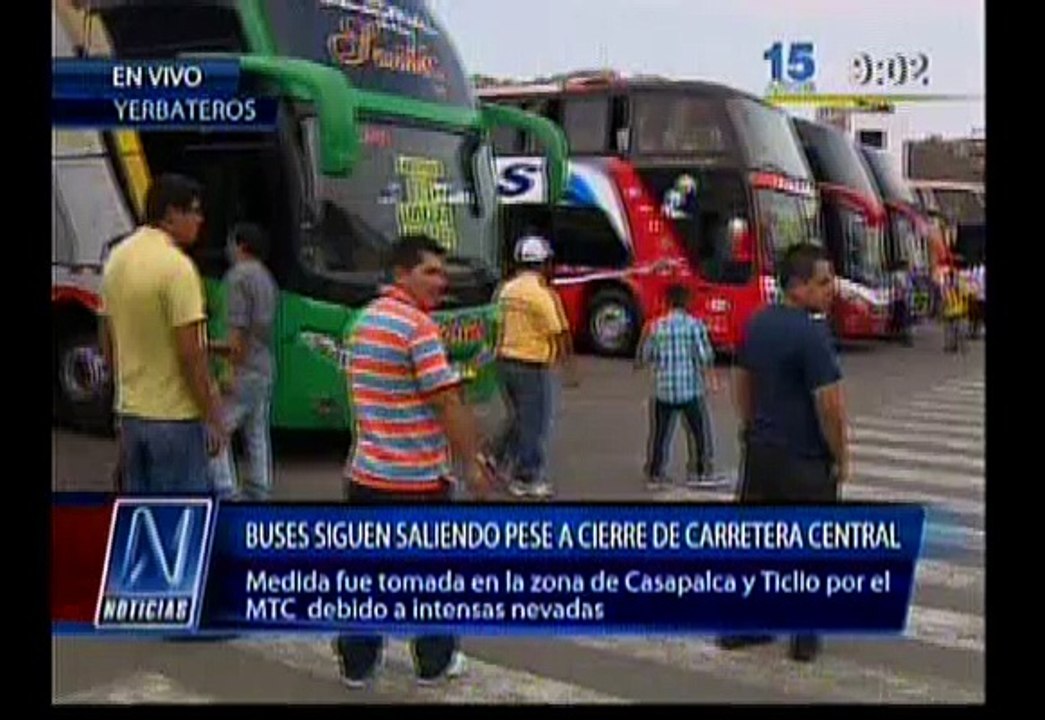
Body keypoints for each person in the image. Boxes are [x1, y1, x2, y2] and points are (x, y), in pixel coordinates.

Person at [333, 234, 491, 688]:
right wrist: (473, 463)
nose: (441, 282)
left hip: (367, 475)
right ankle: (434, 661)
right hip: (416, 480)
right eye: (430, 272)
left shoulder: (363, 321)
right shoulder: (418, 328)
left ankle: (358, 663)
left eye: (443, 273)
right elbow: (445, 403)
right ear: (401, 274)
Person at [721, 243, 849, 663]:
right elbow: (829, 405)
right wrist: (840, 457)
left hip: (762, 453)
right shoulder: (812, 334)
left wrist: (750, 425)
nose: (831, 290)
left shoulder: (758, 322)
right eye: (823, 282)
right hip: (805, 460)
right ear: (797, 286)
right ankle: (804, 637)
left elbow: (742, 379)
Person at [99, 173, 226, 493]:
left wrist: (123, 394)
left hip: (131, 416)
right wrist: (212, 415)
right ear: (170, 215)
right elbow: (191, 354)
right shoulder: (177, 268)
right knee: (182, 515)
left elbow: (108, 337)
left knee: (141, 512)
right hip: (175, 420)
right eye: (194, 211)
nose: (200, 220)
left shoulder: (117, 259)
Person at [479, 235, 574, 499]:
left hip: (505, 362)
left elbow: (495, 324)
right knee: (534, 423)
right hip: (531, 364)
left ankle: (494, 455)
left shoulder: (506, 290)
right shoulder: (542, 294)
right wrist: (569, 366)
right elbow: (559, 331)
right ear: (543, 263)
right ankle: (526, 477)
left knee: (520, 417)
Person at [208, 222, 278, 500]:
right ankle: (259, 489)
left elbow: (236, 337)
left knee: (216, 427)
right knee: (256, 432)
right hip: (264, 366)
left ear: (241, 245)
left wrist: (207, 350)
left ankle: (225, 490)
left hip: (242, 369)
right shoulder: (266, 277)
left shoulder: (237, 278)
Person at [635, 284, 719, 489]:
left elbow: (645, 357)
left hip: (664, 390)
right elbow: (704, 356)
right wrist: (710, 377)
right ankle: (700, 470)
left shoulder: (657, 327)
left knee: (660, 434)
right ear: (687, 302)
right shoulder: (694, 326)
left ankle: (655, 471)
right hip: (689, 388)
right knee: (698, 433)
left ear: (668, 303)